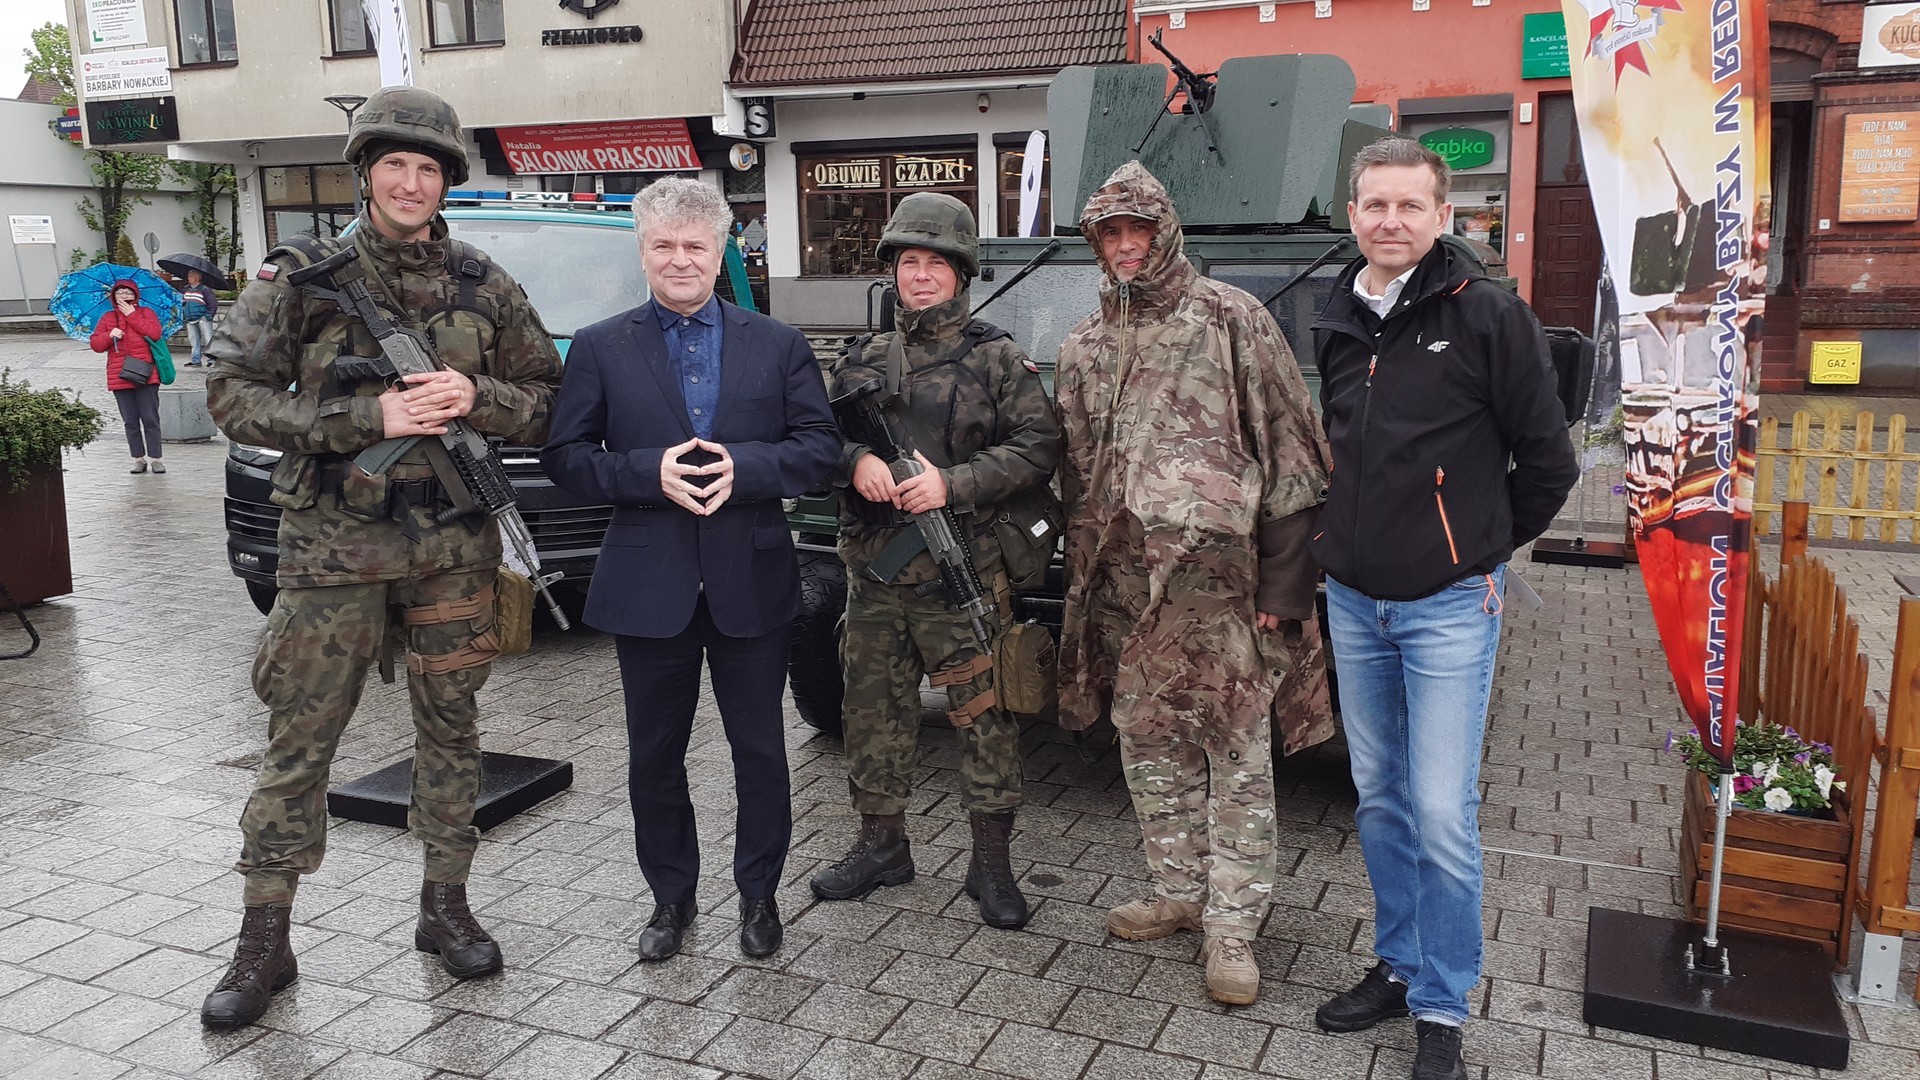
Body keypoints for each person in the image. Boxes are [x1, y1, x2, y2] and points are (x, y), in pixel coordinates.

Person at [199, 85, 563, 1028]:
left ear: (447, 179)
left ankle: (445, 906)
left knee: (453, 730)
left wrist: (475, 396)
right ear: (365, 173)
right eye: (394, 164)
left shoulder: (486, 283)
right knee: (301, 741)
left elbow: (551, 401)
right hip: (332, 550)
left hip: (451, 551)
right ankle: (264, 940)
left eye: (427, 167)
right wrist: (369, 416)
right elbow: (230, 393)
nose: (411, 182)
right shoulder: (302, 276)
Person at [1308, 137, 1577, 1080]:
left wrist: (1479, 551)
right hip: (1353, 602)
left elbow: (1549, 462)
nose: (1391, 222)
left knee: (1440, 811)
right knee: (1379, 797)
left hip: (1448, 606)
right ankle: (1399, 961)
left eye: (1410, 206)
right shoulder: (1337, 311)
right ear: (1354, 214)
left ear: (1442, 215)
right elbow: (1343, 444)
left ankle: (1442, 1009)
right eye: (1376, 205)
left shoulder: (1490, 317)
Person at [1053, 161, 1331, 1006]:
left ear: (1165, 231)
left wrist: (1284, 587)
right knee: (1147, 740)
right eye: (1111, 233)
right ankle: (1178, 891)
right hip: (1127, 591)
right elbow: (1075, 475)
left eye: (1139, 230)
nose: (1126, 246)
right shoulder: (1084, 345)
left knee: (1235, 748)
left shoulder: (1231, 318)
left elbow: (1293, 451)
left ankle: (1233, 925)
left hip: (1222, 589)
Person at [540, 176, 838, 962]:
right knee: (654, 756)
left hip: (752, 581)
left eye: (695, 246)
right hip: (650, 585)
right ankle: (670, 899)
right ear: (642, 251)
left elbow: (819, 449)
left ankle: (759, 896)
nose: (680, 259)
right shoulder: (601, 345)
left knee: (761, 753)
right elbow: (566, 457)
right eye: (664, 245)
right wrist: (647, 473)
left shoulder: (777, 343)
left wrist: (746, 467)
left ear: (720, 250)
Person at [810, 193, 1060, 929]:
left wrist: (953, 483)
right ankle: (882, 845)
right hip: (875, 575)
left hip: (964, 574)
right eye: (909, 262)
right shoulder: (859, 359)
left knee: (985, 715)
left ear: (962, 272)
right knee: (872, 712)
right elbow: (812, 439)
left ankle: (991, 864)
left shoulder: (996, 357)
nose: (921, 276)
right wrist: (855, 462)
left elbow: (1039, 448)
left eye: (936, 264)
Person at [89, 281, 166, 474]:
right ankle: (138, 458)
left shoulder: (146, 313)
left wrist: (132, 315)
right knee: (130, 421)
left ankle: (156, 458)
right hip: (120, 376)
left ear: (135, 295)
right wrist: (109, 335)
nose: (124, 296)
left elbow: (155, 334)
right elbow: (96, 345)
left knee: (150, 418)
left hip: (146, 374)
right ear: (113, 297)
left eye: (127, 292)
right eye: (120, 292)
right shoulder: (108, 317)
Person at [181, 269, 219, 366]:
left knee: (208, 339)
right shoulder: (186, 289)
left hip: (203, 318)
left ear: (197, 277)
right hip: (190, 318)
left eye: (190, 276)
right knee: (194, 341)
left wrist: (207, 316)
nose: (188, 278)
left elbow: (213, 304)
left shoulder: (205, 290)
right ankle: (195, 360)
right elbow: (182, 301)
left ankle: (212, 360)